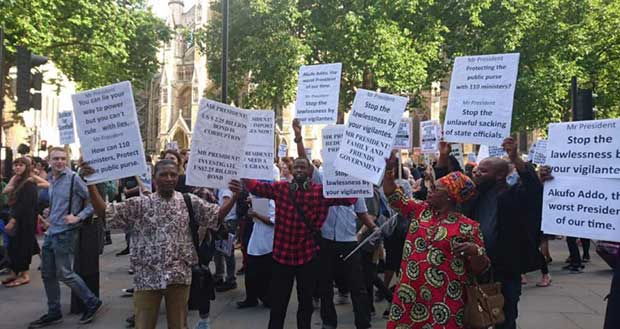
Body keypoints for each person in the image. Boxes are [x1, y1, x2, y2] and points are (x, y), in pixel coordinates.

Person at [84, 159, 240, 329]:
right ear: (154, 177)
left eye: (173, 174)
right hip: (146, 278)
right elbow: (106, 214)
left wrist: (234, 197)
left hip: (179, 277)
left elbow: (215, 216)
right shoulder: (140, 203)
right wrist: (91, 184)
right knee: (144, 324)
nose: (169, 178)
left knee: (179, 325)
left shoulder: (188, 200)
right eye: (163, 174)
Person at [243, 120, 357, 329]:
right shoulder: (281, 189)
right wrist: (239, 166)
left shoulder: (320, 193)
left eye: (303, 167)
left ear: (310, 173)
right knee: (278, 304)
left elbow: (349, 199)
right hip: (282, 257)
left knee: (305, 304)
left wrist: (357, 177)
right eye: (296, 166)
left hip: (308, 259)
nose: (298, 169)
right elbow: (255, 186)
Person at [383, 151, 489, 328]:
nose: (429, 190)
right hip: (409, 296)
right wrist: (389, 171)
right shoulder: (421, 210)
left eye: (435, 188)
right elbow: (393, 196)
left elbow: (480, 268)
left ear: (450, 196)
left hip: (445, 300)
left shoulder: (469, 227)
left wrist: (475, 251)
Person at [446, 138, 542, 329]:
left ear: (499, 176)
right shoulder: (472, 194)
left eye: (483, 170)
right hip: (474, 267)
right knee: (472, 317)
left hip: (505, 268)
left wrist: (514, 158)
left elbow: (533, 187)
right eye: (477, 169)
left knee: (505, 317)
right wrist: (443, 156)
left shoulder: (512, 195)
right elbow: (446, 188)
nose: (477, 173)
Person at [29, 147, 103, 328]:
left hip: (66, 233)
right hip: (51, 231)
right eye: (56, 159)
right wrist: (50, 212)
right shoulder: (52, 178)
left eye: (63, 158)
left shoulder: (73, 178)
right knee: (47, 274)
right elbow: (60, 202)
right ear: (49, 160)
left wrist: (78, 217)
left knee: (64, 273)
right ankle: (54, 312)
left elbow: (95, 203)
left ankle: (92, 302)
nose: (60, 162)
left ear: (68, 160)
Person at [1, 157, 41, 287]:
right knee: (13, 246)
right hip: (17, 218)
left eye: (21, 165)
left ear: (26, 167)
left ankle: (24, 275)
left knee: (23, 246)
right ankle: (14, 272)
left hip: (24, 221)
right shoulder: (18, 181)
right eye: (16, 165)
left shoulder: (29, 182)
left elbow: (25, 205)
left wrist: (13, 220)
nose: (17, 167)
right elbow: (6, 191)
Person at [237, 196, 276, 309]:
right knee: (250, 272)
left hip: (266, 242)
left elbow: (273, 221)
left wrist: (256, 215)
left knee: (265, 273)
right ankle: (251, 298)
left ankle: (267, 298)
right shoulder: (258, 200)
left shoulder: (273, 202)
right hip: (256, 240)